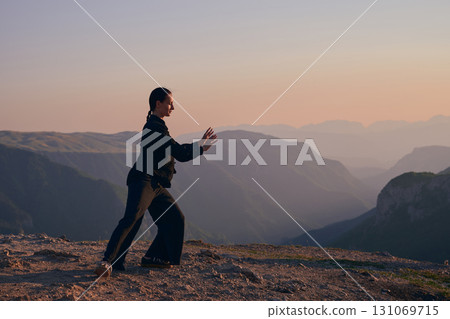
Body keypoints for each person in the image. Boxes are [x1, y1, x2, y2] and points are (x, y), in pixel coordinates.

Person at [94, 87, 216, 278]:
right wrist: (201, 146)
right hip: (143, 180)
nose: (173, 108)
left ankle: (154, 257)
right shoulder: (154, 127)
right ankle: (107, 261)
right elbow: (180, 152)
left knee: (175, 219)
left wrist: (200, 145)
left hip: (155, 184)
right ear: (158, 104)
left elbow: (175, 151)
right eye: (170, 103)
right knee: (132, 218)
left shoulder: (157, 125)